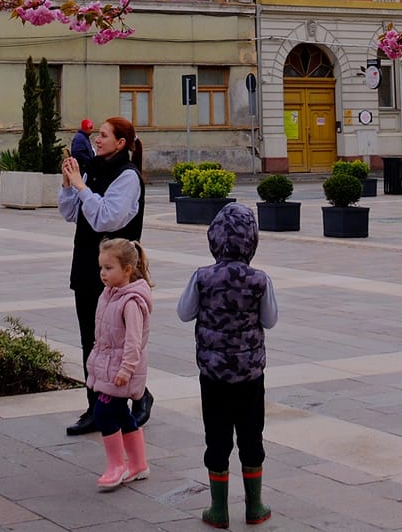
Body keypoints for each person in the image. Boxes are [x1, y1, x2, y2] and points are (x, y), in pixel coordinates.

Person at [178, 202, 278, 528]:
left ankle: (218, 510)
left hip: (213, 374)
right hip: (250, 374)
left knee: (217, 437)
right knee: (251, 436)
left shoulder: (203, 277)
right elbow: (270, 319)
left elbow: (184, 312)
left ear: (214, 238)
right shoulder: (259, 280)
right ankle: (255, 506)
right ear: (253, 240)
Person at [58, 116, 151, 434]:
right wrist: (69, 184)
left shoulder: (128, 177)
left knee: (119, 340)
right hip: (87, 263)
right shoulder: (93, 168)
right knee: (92, 340)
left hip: (118, 271)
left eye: (103, 135)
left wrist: (82, 187)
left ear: (120, 143)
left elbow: (106, 219)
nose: (96, 140)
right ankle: (95, 408)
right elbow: (71, 213)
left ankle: (137, 395)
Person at [86, 236, 154, 491]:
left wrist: (126, 369)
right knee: (121, 413)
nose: (103, 273)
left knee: (103, 413)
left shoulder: (131, 302)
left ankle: (117, 464)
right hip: (108, 365)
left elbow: (133, 342)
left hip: (121, 370)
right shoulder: (110, 294)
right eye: (101, 267)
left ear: (127, 270)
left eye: (109, 268)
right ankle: (138, 464)